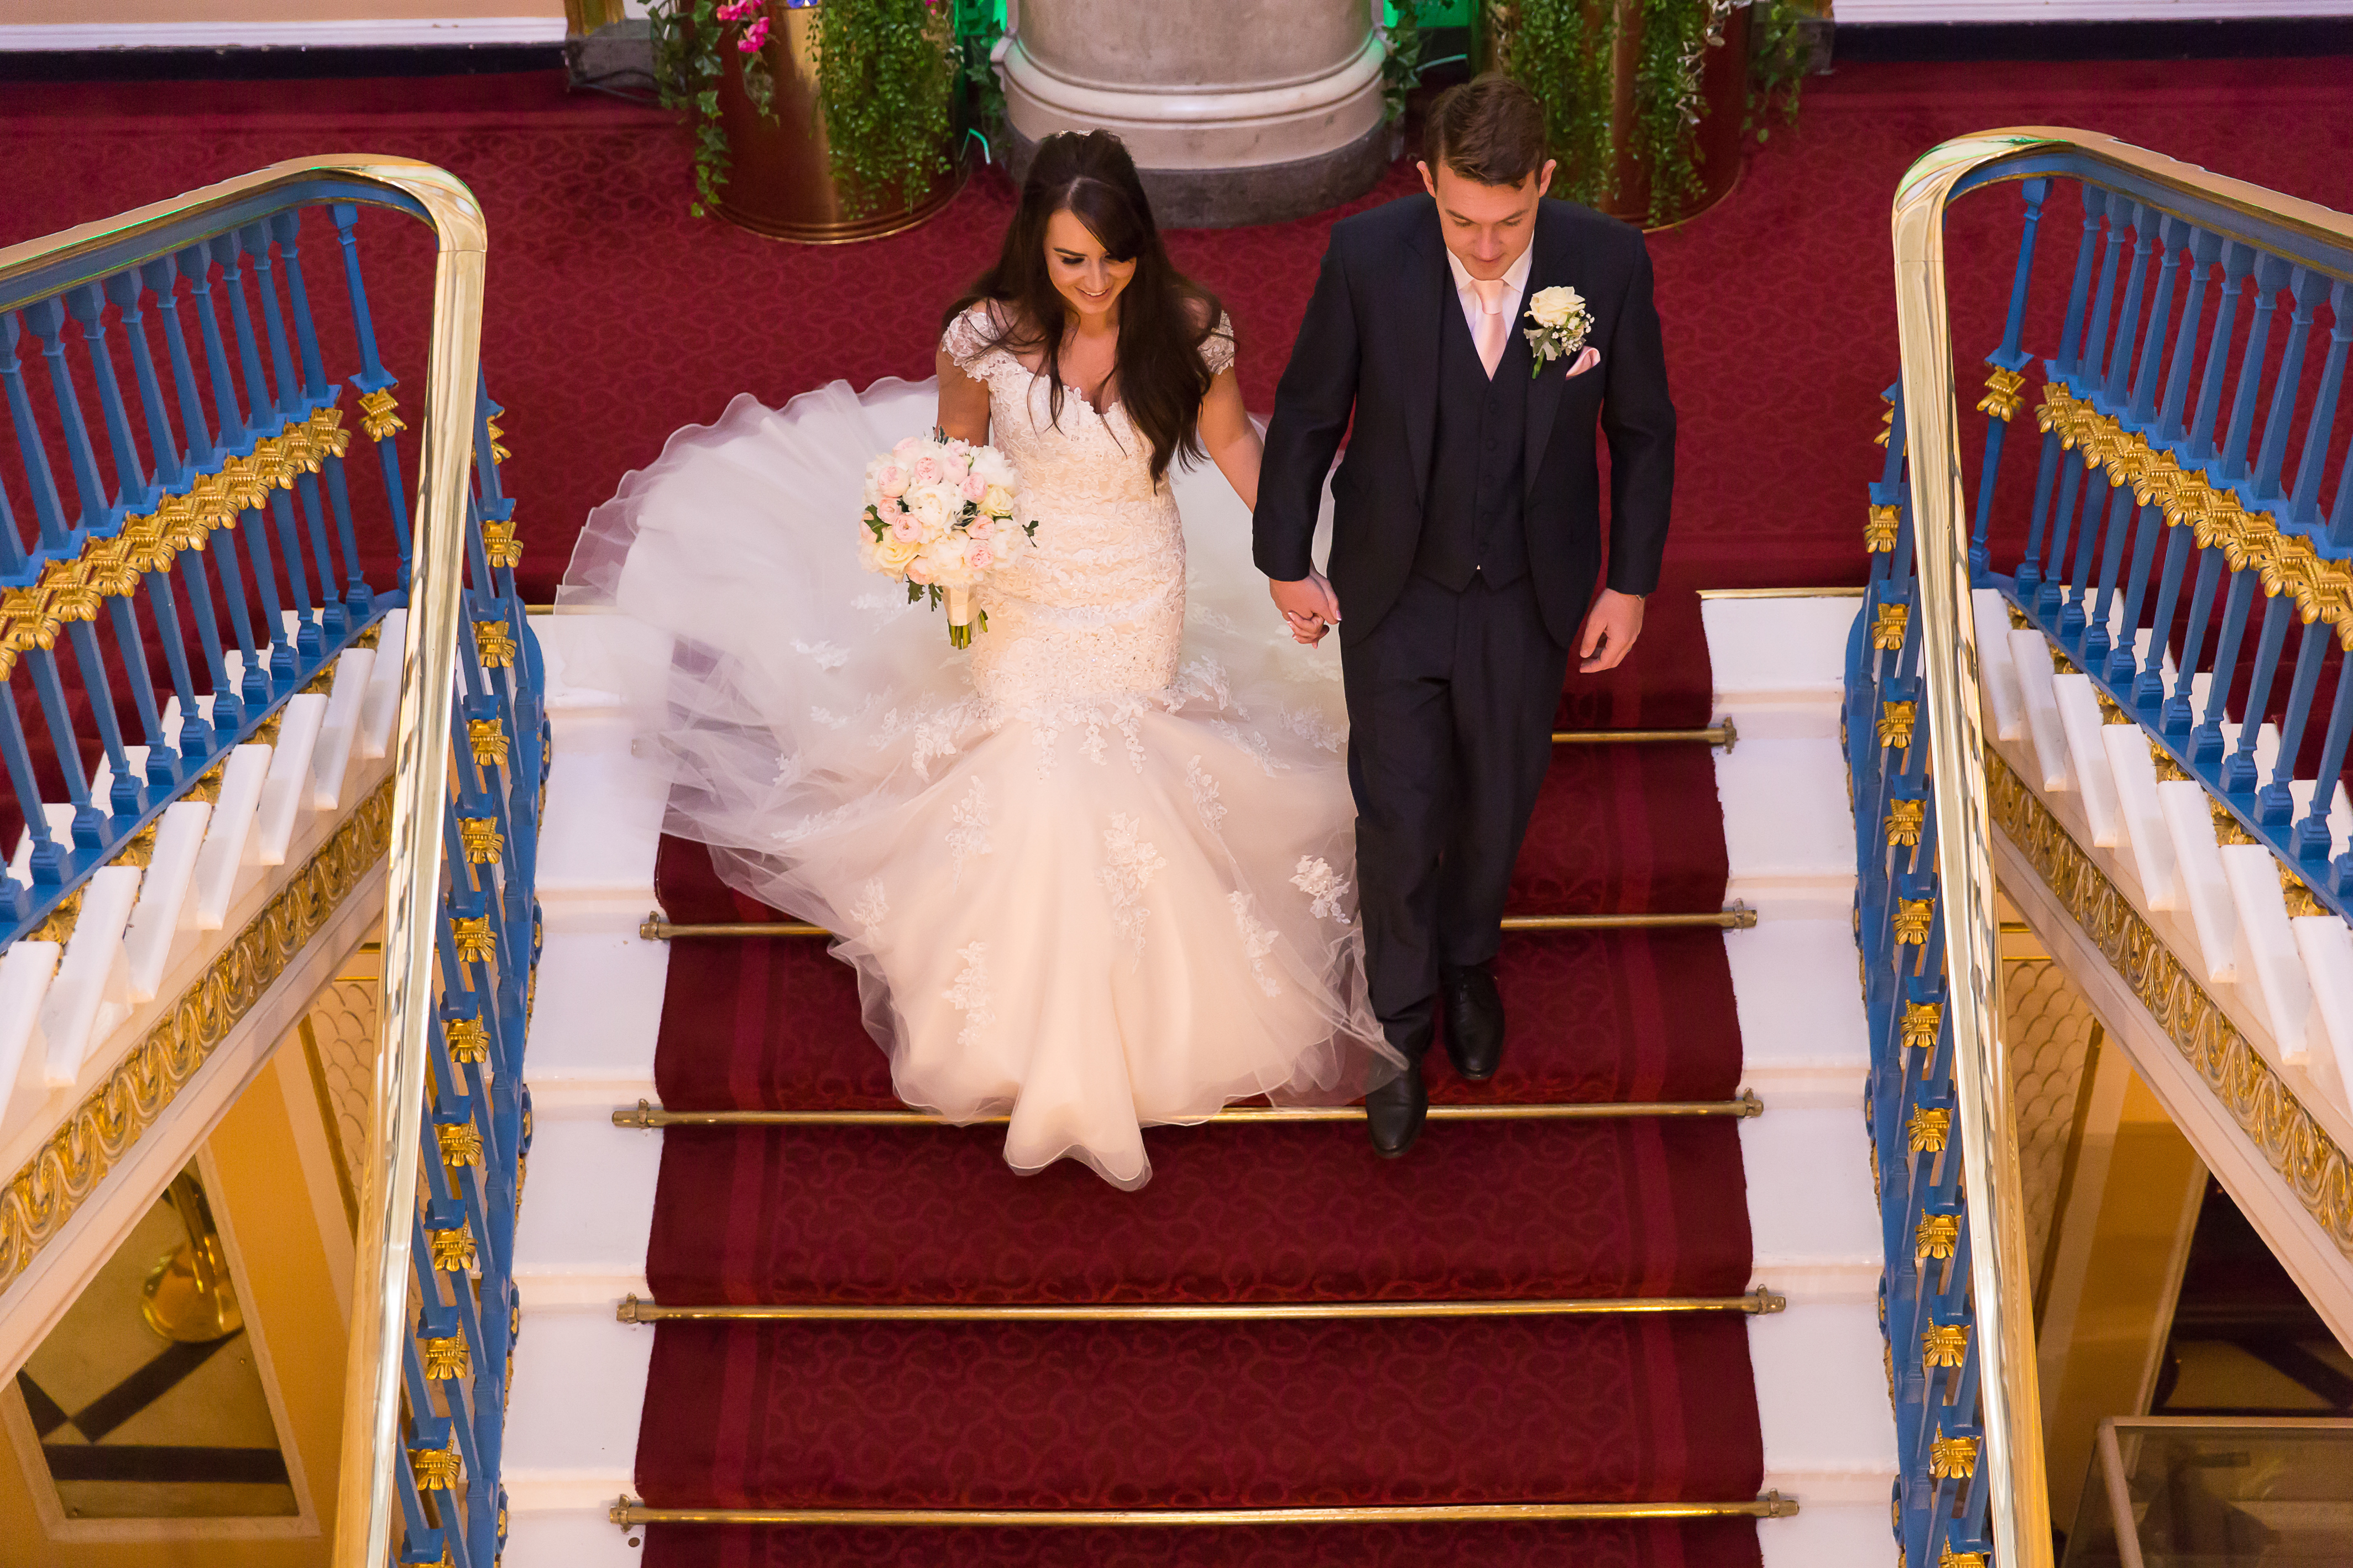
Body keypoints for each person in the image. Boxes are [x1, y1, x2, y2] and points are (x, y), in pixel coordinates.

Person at [560, 130, 1400, 1190]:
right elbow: (954, 466)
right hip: (1025, 588)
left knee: (1121, 749)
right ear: (1032, 254)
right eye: (1071, 262)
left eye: (1115, 257)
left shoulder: (1190, 327)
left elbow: (1234, 445)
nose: (1097, 284)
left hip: (1138, 579)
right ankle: (1043, 1037)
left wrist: (1290, 558)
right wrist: (943, 542)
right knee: (1045, 767)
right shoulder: (982, 339)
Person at [1254, 75, 1677, 1158]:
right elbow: (1306, 412)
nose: (1485, 251)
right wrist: (1283, 559)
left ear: (1541, 183)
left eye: (1509, 223)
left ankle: (1468, 960)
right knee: (1396, 815)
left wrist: (1628, 581)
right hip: (1396, 586)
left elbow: (1641, 430)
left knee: (1498, 795)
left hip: (1529, 590)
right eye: (1460, 220)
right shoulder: (1364, 258)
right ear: (1426, 181)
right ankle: (1398, 1028)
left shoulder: (1607, 264)